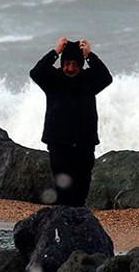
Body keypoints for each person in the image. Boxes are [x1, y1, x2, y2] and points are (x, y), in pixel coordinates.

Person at [29, 36, 113, 206]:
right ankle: (62, 223)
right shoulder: (53, 79)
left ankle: (79, 221)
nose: (70, 68)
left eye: (75, 64)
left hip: (84, 142)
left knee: (82, 186)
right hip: (58, 141)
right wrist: (55, 52)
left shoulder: (89, 80)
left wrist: (90, 55)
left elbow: (106, 77)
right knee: (63, 186)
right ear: (62, 64)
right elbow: (36, 72)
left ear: (81, 66)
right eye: (67, 64)